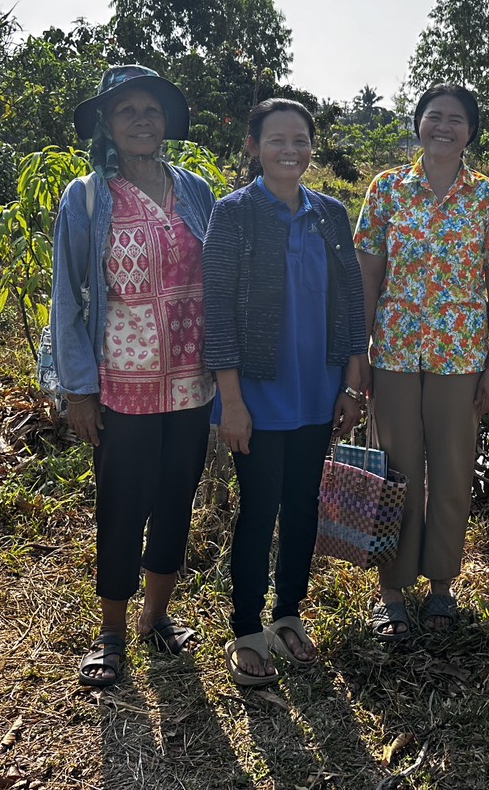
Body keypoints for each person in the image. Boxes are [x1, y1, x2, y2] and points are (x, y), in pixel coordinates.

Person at [50, 64, 218, 687]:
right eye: (128, 112)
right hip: (123, 379)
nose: (142, 120)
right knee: (122, 506)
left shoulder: (196, 189)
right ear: (109, 126)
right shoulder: (88, 196)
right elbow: (67, 295)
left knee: (177, 498)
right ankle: (112, 633)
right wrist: (77, 386)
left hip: (191, 381)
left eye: (152, 110)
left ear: (166, 121)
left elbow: (219, 277)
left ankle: (157, 618)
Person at [202, 98, 368, 686]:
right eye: (277, 139)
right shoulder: (234, 214)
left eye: (300, 139)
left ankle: (288, 615)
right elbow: (216, 311)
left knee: (302, 507)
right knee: (259, 509)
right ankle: (246, 628)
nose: (290, 150)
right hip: (257, 393)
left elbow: (351, 302)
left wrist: (353, 382)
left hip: (318, 389)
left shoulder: (330, 214)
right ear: (254, 147)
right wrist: (233, 401)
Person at [355, 84, 489, 638]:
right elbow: (368, 278)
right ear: (418, 123)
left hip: (461, 358)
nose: (443, 126)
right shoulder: (386, 190)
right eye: (433, 116)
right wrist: (360, 357)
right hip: (396, 355)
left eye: (455, 119)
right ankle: (391, 594)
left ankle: (443, 589)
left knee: (450, 475)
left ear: (471, 130)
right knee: (397, 474)